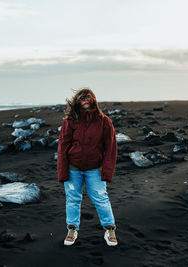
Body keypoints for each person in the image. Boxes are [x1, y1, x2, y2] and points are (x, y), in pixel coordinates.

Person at [57, 88, 118, 246]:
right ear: (77, 101)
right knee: (73, 200)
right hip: (73, 168)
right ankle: (72, 229)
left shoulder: (104, 121)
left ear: (94, 100)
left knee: (101, 199)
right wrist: (62, 172)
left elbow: (111, 147)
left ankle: (109, 229)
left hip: (94, 169)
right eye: (82, 97)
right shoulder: (70, 121)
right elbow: (62, 147)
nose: (85, 99)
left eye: (88, 97)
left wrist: (107, 171)